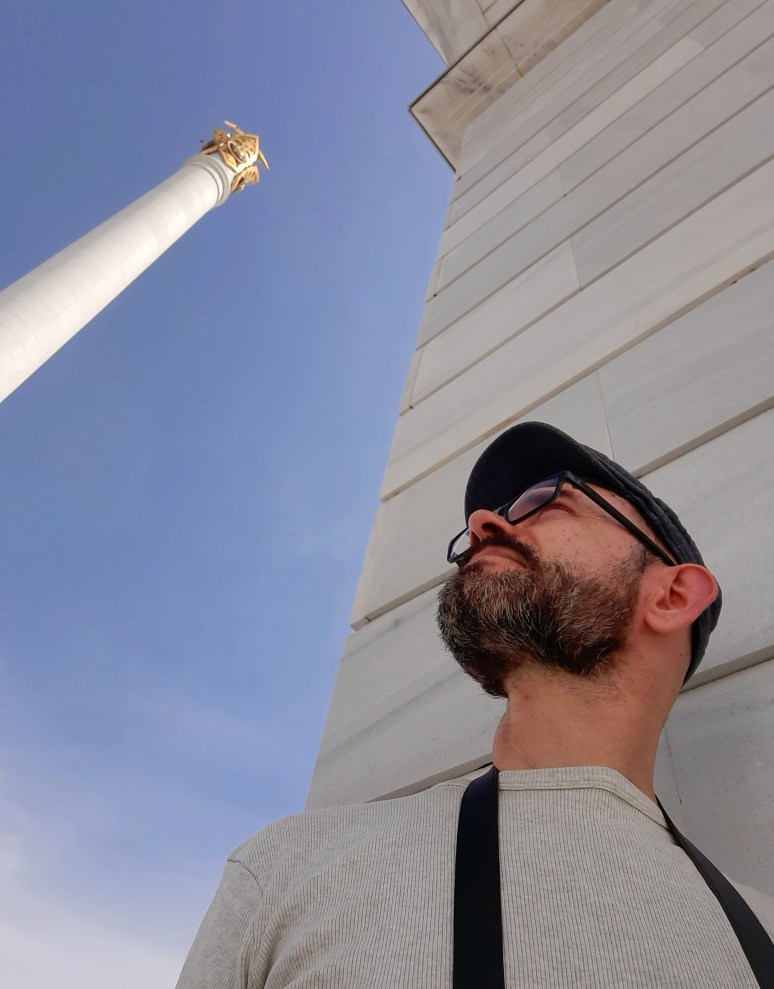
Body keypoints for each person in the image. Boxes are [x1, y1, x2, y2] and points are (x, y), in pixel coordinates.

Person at [176, 421, 774, 988]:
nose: (485, 522)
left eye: (552, 501)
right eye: (488, 516)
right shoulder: (291, 866)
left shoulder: (760, 933)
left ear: (672, 596)